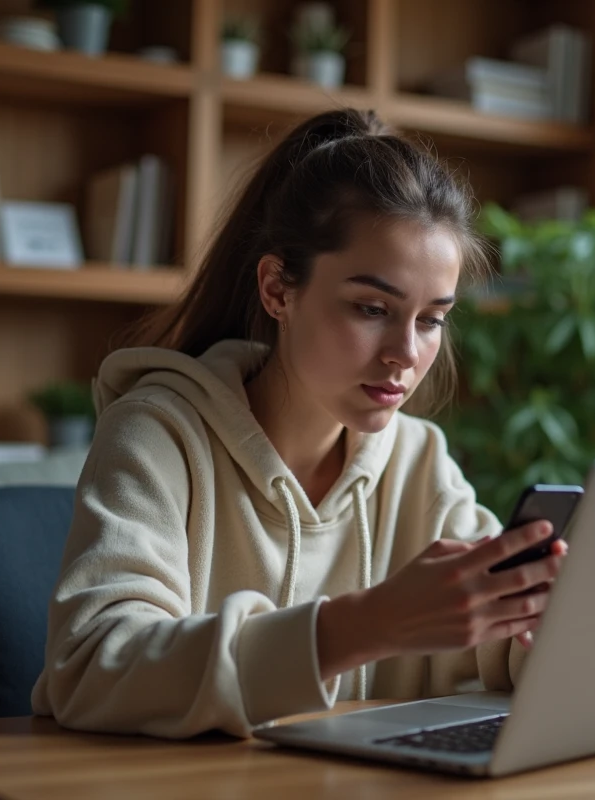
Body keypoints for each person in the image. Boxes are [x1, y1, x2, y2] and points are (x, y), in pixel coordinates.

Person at [31, 108, 567, 739]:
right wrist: (366, 625)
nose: (405, 354)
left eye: (431, 320)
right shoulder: (158, 435)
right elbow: (91, 666)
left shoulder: (419, 460)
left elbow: (495, 647)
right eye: (372, 307)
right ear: (277, 289)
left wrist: (548, 623)